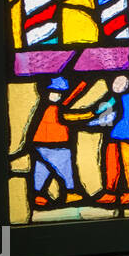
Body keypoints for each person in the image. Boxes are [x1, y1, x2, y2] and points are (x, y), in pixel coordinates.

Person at [26, 76, 91, 208]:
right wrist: (91, 114)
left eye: (59, 94)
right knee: (65, 169)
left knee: (42, 169)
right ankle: (70, 192)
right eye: (53, 93)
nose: (56, 96)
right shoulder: (53, 110)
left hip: (42, 143)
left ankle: (38, 194)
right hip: (57, 144)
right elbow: (70, 117)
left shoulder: (51, 108)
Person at [94, 75, 129, 206]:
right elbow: (101, 112)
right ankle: (110, 192)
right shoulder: (112, 99)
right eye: (116, 81)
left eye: (122, 82)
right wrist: (92, 118)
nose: (118, 85)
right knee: (111, 163)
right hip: (114, 137)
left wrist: (98, 120)